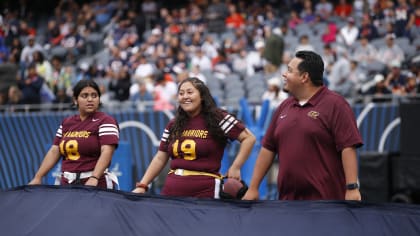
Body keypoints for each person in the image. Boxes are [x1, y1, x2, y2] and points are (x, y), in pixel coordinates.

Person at [242, 51, 363, 201]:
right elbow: (268, 148)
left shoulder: (336, 105)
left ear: (304, 77)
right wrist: (253, 188)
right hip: (288, 204)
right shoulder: (283, 107)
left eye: (290, 70)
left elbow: (348, 147)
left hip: (327, 203)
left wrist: (352, 188)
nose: (284, 75)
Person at [132, 77, 256, 198]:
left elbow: (249, 138)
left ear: (202, 96)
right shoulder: (173, 124)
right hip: (172, 190)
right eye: (181, 93)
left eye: (190, 92)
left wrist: (236, 167)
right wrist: (143, 185)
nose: (185, 96)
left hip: (205, 192)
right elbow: (160, 157)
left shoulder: (218, 117)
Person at [28, 79, 120, 189]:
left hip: (96, 183)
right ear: (75, 100)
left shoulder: (106, 120)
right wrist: (38, 177)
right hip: (67, 182)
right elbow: (54, 150)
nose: (90, 99)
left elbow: (107, 151)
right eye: (85, 96)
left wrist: (94, 178)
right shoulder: (67, 122)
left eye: (94, 95)